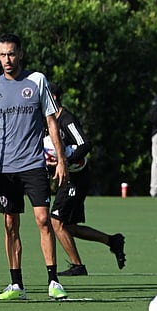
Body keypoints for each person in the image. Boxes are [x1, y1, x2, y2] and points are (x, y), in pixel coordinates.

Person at [0, 34, 68, 300]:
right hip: (5, 167)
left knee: (43, 220)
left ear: (20, 54)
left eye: (11, 54)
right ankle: (16, 284)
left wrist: (61, 159)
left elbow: (51, 122)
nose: (7, 59)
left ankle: (53, 281)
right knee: (10, 224)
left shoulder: (37, 81)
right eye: (2, 54)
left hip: (33, 163)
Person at [47, 83, 126, 276]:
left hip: (77, 178)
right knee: (69, 227)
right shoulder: (46, 120)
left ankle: (78, 266)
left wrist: (64, 161)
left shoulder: (66, 119)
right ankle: (112, 241)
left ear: (54, 99)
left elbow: (85, 144)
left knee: (56, 221)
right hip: (69, 177)